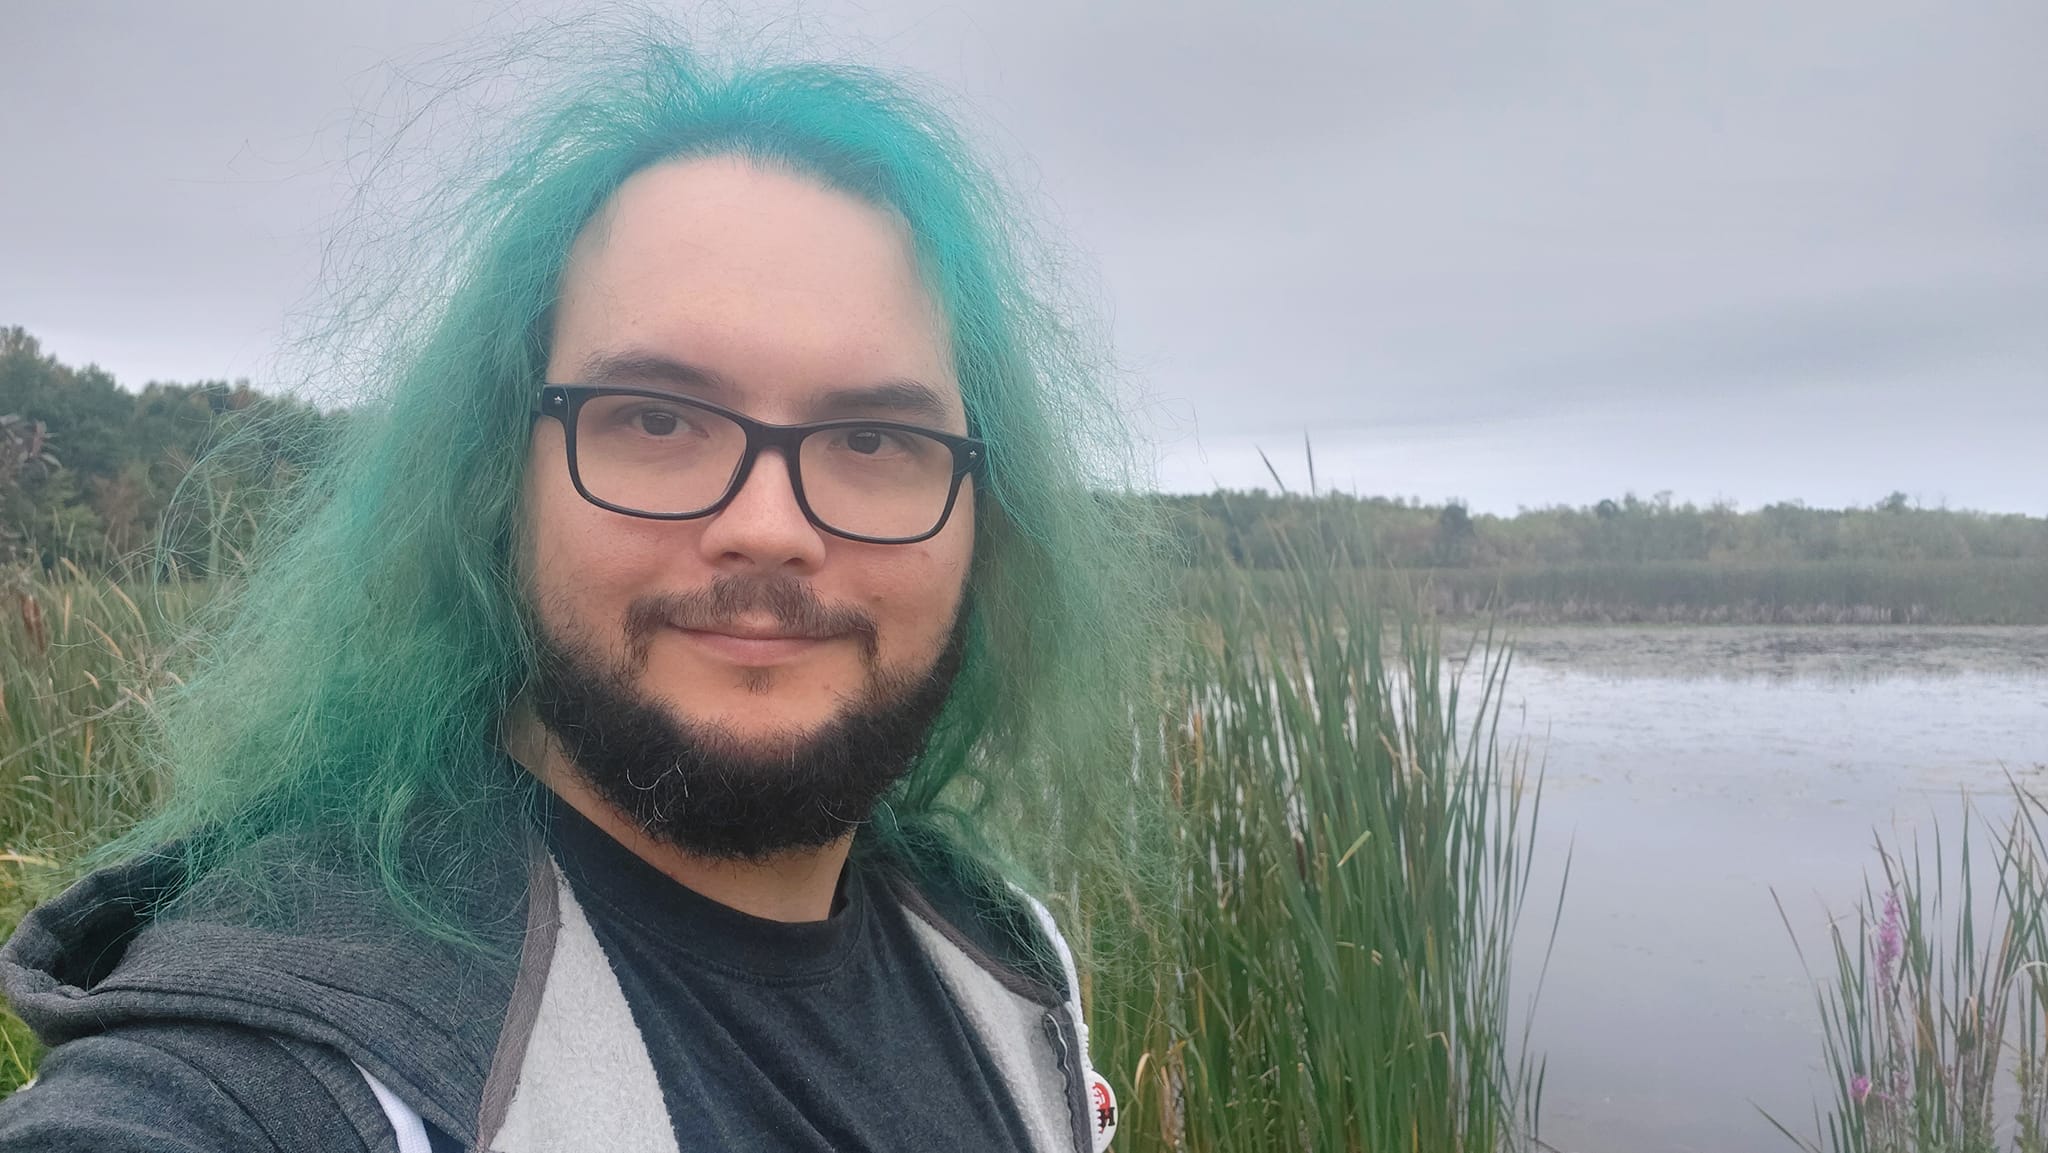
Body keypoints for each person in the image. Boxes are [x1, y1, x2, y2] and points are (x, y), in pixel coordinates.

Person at [0, 32, 1159, 1153]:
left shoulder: (1005, 960)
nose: (768, 528)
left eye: (872, 437)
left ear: (981, 522)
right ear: (499, 487)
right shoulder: (294, 1071)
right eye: (655, 419)